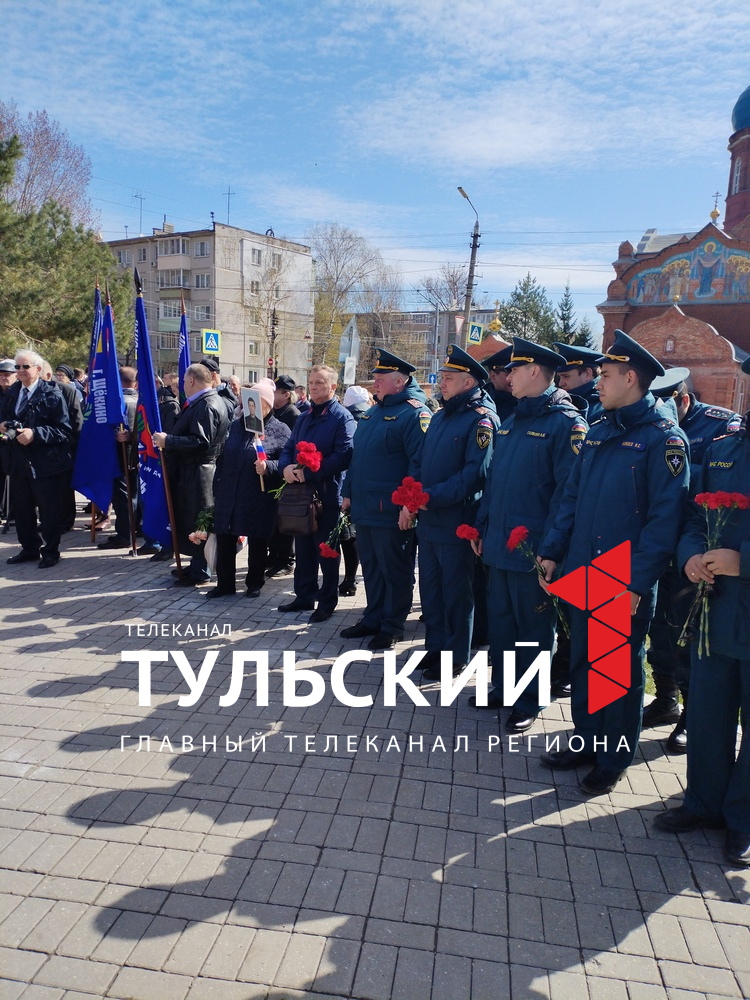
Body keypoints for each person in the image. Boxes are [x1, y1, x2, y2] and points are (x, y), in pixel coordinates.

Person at [538, 330, 690, 795]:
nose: (597, 383)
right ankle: (587, 738)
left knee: (617, 672)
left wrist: (637, 584)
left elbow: (664, 522)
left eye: (605, 375)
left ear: (630, 378)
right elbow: (571, 497)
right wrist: (552, 550)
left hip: (621, 576)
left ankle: (613, 756)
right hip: (582, 567)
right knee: (585, 662)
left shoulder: (663, 439)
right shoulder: (600, 429)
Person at [653, 382, 750, 868]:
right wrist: (691, 554)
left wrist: (743, 560)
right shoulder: (725, 447)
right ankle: (703, 803)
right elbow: (694, 515)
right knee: (709, 714)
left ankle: (743, 819)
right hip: (717, 610)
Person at [472, 338, 588, 730]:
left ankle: (530, 698)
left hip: (533, 550)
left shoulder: (567, 425)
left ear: (534, 371)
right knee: (503, 624)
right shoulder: (513, 420)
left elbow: (567, 497)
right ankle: (504, 686)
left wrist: (550, 549)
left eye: (514, 370)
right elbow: (494, 484)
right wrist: (482, 527)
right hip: (499, 545)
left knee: (534, 630)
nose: (507, 377)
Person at [643, 367, 742, 752]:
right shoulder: (649, 425)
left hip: (698, 553)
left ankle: (689, 712)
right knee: (659, 630)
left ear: (683, 400)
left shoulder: (720, 427)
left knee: (686, 635)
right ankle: (665, 698)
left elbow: (702, 489)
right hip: (661, 546)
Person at [402, 345, 498, 680]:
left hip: (457, 522)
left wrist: (432, 498)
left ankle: (456, 655)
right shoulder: (441, 416)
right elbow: (421, 461)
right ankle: (435, 647)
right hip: (430, 521)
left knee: (456, 593)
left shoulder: (481, 420)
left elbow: (475, 474)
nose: (441, 383)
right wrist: (413, 496)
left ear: (468, 382)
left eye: (448, 378)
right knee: (431, 591)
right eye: (442, 377)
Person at [341, 354, 431, 651]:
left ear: (400, 381)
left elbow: (419, 466)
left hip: (392, 511)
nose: (375, 383)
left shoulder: (415, 414)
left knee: (395, 571)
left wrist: (409, 506)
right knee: (372, 568)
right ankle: (373, 618)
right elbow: (357, 458)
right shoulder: (373, 412)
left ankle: (392, 626)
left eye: (381, 378)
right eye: (375, 377)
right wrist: (348, 491)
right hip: (365, 507)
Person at [277, 364, 355, 623]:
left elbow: (343, 456)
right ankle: (304, 595)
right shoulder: (304, 416)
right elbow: (289, 447)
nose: (313, 387)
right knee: (304, 549)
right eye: (311, 382)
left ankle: (327, 601)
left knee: (326, 551)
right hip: (302, 496)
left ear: (333, 386)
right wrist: (286, 468)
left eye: (319, 382)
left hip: (327, 496)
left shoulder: (342, 418)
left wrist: (309, 473)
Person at [209, 379, 290, 598]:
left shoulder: (280, 429)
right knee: (225, 536)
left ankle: (254, 582)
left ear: (267, 404)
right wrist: (218, 485)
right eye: (248, 401)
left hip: (258, 494)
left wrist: (269, 466)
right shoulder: (237, 426)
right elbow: (224, 456)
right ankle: (225, 584)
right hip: (230, 490)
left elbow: (287, 460)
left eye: (255, 401)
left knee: (257, 539)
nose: (249, 406)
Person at [152, 363, 230, 586]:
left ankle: (201, 570)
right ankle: (197, 564)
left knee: (199, 520)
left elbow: (200, 442)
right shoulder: (207, 401)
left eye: (185, 381)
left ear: (192, 381)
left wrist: (169, 441)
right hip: (196, 470)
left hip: (200, 472)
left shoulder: (206, 404)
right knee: (193, 518)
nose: (183, 385)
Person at [0, 350, 72, 568]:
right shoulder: (12, 392)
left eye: (25, 367)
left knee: (48, 512)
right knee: (22, 511)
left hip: (45, 464)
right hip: (18, 462)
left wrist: (35, 434)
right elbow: (6, 418)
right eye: (17, 367)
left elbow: (63, 430)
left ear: (38, 369)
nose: (20, 371)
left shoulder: (52, 394)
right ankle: (29, 548)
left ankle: (50, 551)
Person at [98, 367, 139, 550]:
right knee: (131, 496)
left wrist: (125, 436)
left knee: (124, 498)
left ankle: (125, 534)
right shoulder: (138, 400)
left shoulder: (122, 402)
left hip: (123, 456)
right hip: (133, 457)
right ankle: (130, 530)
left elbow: (128, 432)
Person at [338, 384, 372, 596]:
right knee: (355, 535)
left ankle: (349, 579)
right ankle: (352, 578)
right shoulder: (372, 418)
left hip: (346, 484)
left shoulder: (346, 420)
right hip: (366, 486)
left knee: (347, 535)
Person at [552, 343, 604, 423]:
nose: (560, 383)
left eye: (566, 376)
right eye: (559, 377)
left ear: (587, 374)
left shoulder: (603, 406)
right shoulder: (559, 401)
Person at [483, 346, 517, 422]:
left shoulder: (530, 402)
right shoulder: (480, 402)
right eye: (508, 372)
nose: (513, 377)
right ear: (493, 376)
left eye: (517, 372)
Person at [197, 358, 236, 423]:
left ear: (213, 376)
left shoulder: (222, 402)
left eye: (200, 376)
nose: (197, 380)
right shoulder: (212, 398)